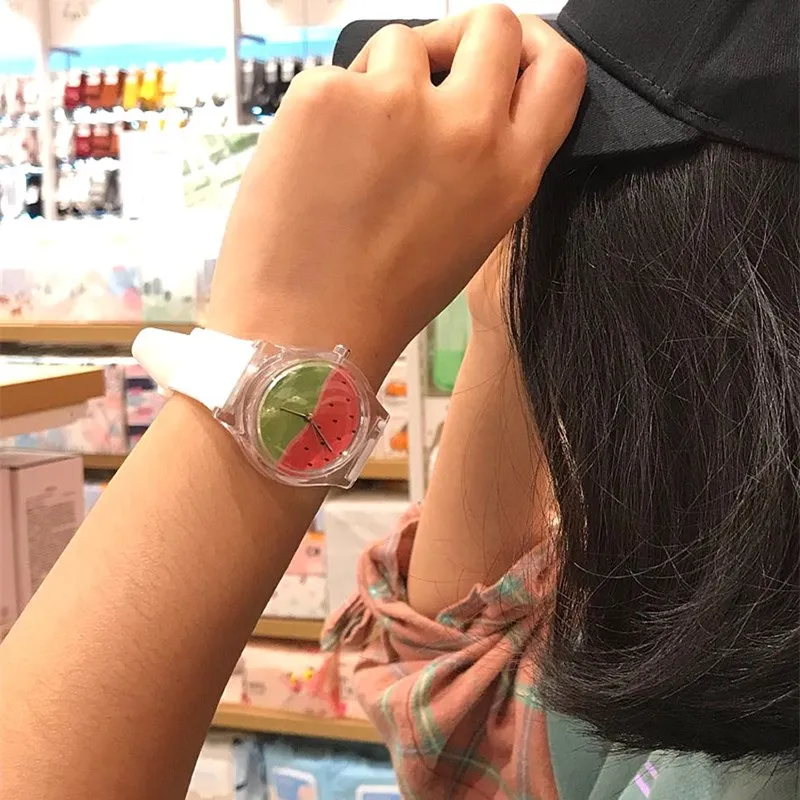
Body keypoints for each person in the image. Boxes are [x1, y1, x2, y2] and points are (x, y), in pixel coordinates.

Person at [0, 2, 796, 799]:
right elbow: (462, 713)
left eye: (585, 183)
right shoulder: (725, 597)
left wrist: (278, 349)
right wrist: (502, 310)